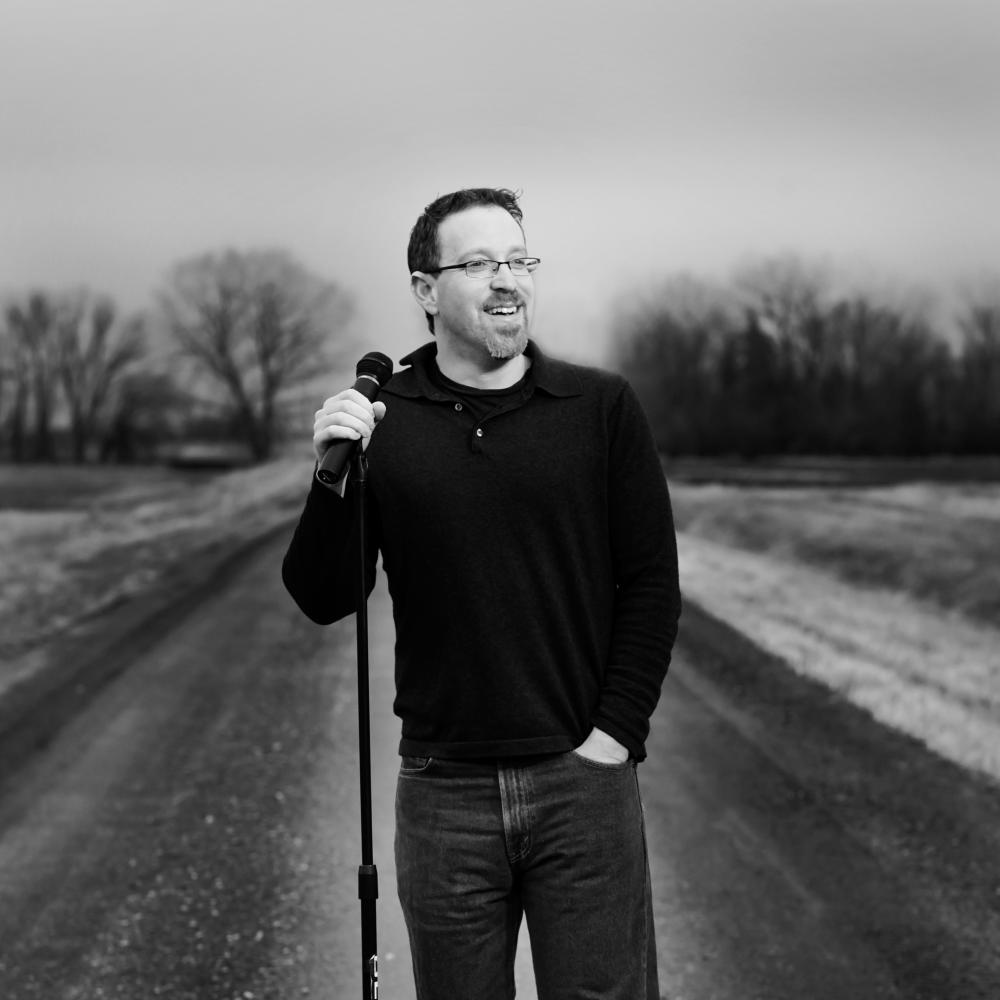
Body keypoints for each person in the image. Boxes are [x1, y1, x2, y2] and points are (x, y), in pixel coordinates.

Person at [282, 187, 681, 999]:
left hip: (583, 785)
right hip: (443, 793)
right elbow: (325, 595)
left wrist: (612, 738)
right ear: (427, 290)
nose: (509, 281)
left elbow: (650, 584)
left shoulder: (598, 409)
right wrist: (331, 472)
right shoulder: (386, 419)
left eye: (519, 260)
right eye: (481, 264)